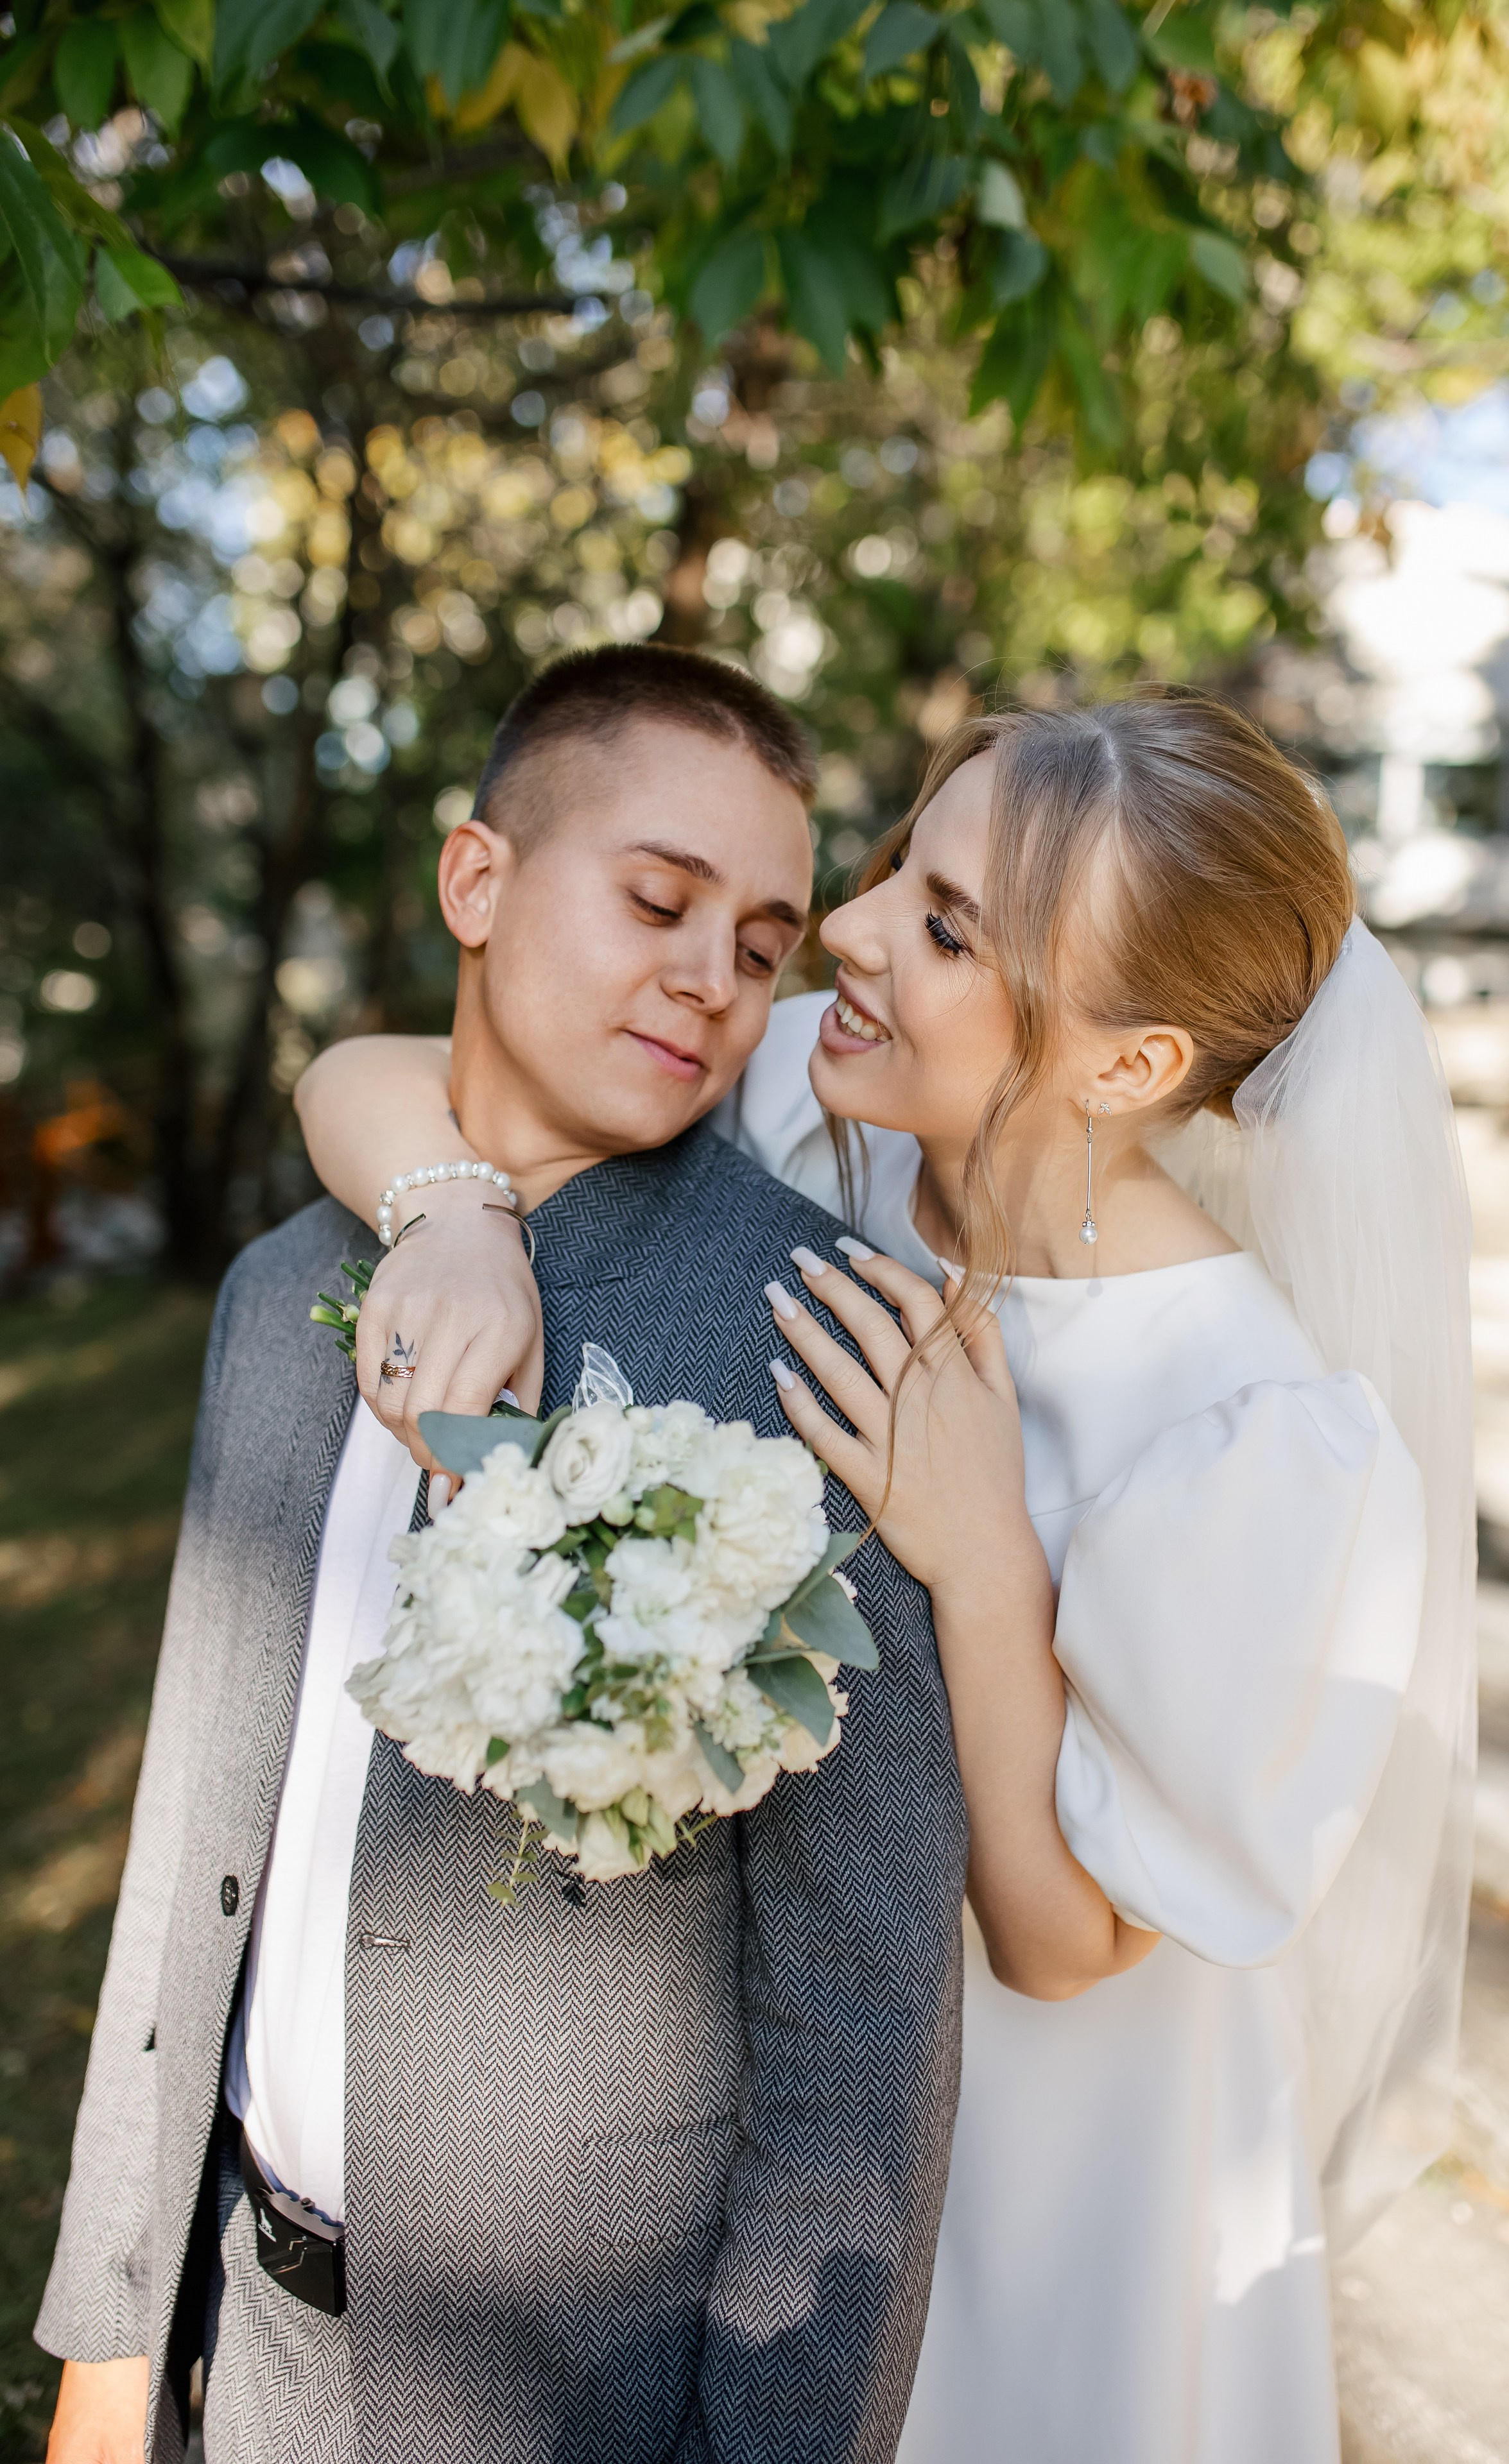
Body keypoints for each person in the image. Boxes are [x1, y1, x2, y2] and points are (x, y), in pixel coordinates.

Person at [296, 688, 1476, 2464]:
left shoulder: (1254, 1431)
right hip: (784, 2085)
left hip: (1048, 2167)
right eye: (893, 873)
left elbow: (1067, 1946)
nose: (838, 938)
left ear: (1132, 1066)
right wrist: (455, 1206)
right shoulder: (809, 1115)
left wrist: (985, 1552)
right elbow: (381, 1072)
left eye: (939, 929)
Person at [37, 646, 970, 2464]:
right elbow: (190, 1839)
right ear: (478, 882)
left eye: (764, 941)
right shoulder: (283, 1285)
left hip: (577, 2404)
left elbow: (860, 2023)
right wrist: (107, 2341)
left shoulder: (827, 1350)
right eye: (657, 899)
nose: (711, 981)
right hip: (239, 2349)